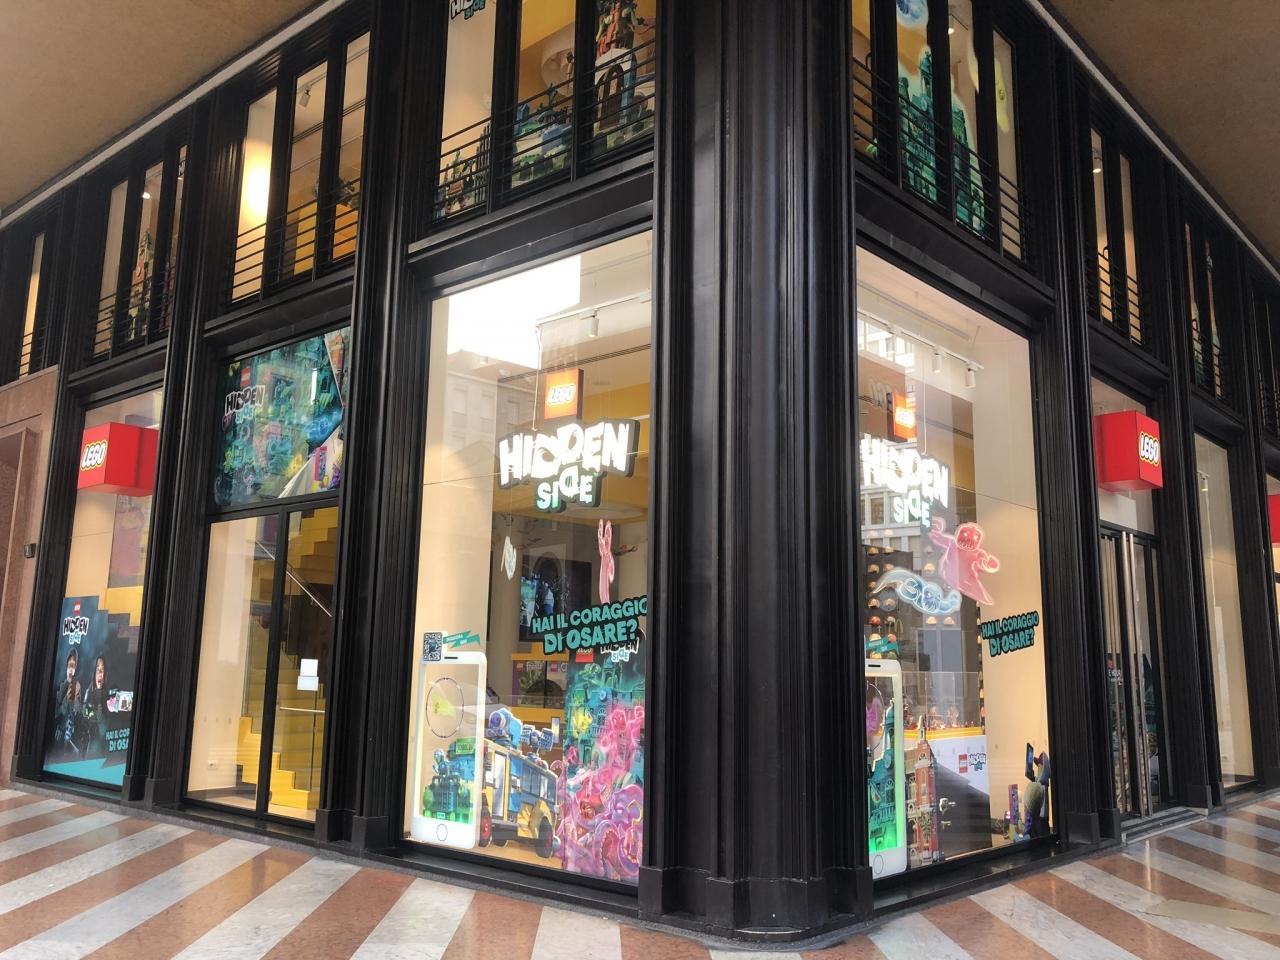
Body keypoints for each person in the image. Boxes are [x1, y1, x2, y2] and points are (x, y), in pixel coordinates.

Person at [52, 650, 82, 753]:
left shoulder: (78, 686)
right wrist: (65, 702)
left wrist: (77, 702)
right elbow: (55, 714)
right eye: (69, 666)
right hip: (58, 739)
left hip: (70, 739)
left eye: (73, 666)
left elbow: (79, 713)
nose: (71, 669)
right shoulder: (60, 687)